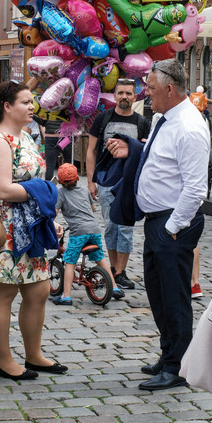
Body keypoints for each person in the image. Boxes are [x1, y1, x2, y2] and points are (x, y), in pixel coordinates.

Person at [107, 59, 211, 391]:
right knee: (157, 292)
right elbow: (157, 159)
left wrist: (172, 228)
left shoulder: (190, 127)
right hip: (159, 220)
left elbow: (196, 188)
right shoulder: (164, 118)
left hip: (173, 222)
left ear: (169, 89)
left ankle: (178, 366)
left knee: (174, 295)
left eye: (150, 88)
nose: (144, 94)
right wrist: (131, 149)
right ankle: (168, 355)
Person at [0, 82, 65, 381]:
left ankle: (34, 354)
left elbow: (32, 180)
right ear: (7, 106)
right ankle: (4, 361)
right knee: (4, 291)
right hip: (8, 227)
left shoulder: (26, 136)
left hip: (31, 224)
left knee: (38, 289)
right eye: (25, 102)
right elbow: (2, 189)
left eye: (32, 101)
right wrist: (42, 191)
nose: (32, 107)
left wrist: (47, 213)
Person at [85, 79, 151, 289]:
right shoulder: (103, 119)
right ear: (114, 96)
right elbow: (91, 151)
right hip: (106, 179)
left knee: (126, 227)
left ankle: (121, 271)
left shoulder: (142, 123)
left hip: (129, 180)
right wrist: (91, 181)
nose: (124, 97)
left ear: (135, 97)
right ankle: (113, 269)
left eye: (128, 93)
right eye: (120, 93)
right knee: (111, 225)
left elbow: (147, 153)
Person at [53, 163, 124, 305]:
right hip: (95, 230)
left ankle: (66, 296)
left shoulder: (60, 193)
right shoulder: (85, 190)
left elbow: (54, 213)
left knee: (70, 261)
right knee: (100, 257)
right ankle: (114, 287)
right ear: (77, 178)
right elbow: (92, 209)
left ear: (60, 181)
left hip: (79, 232)